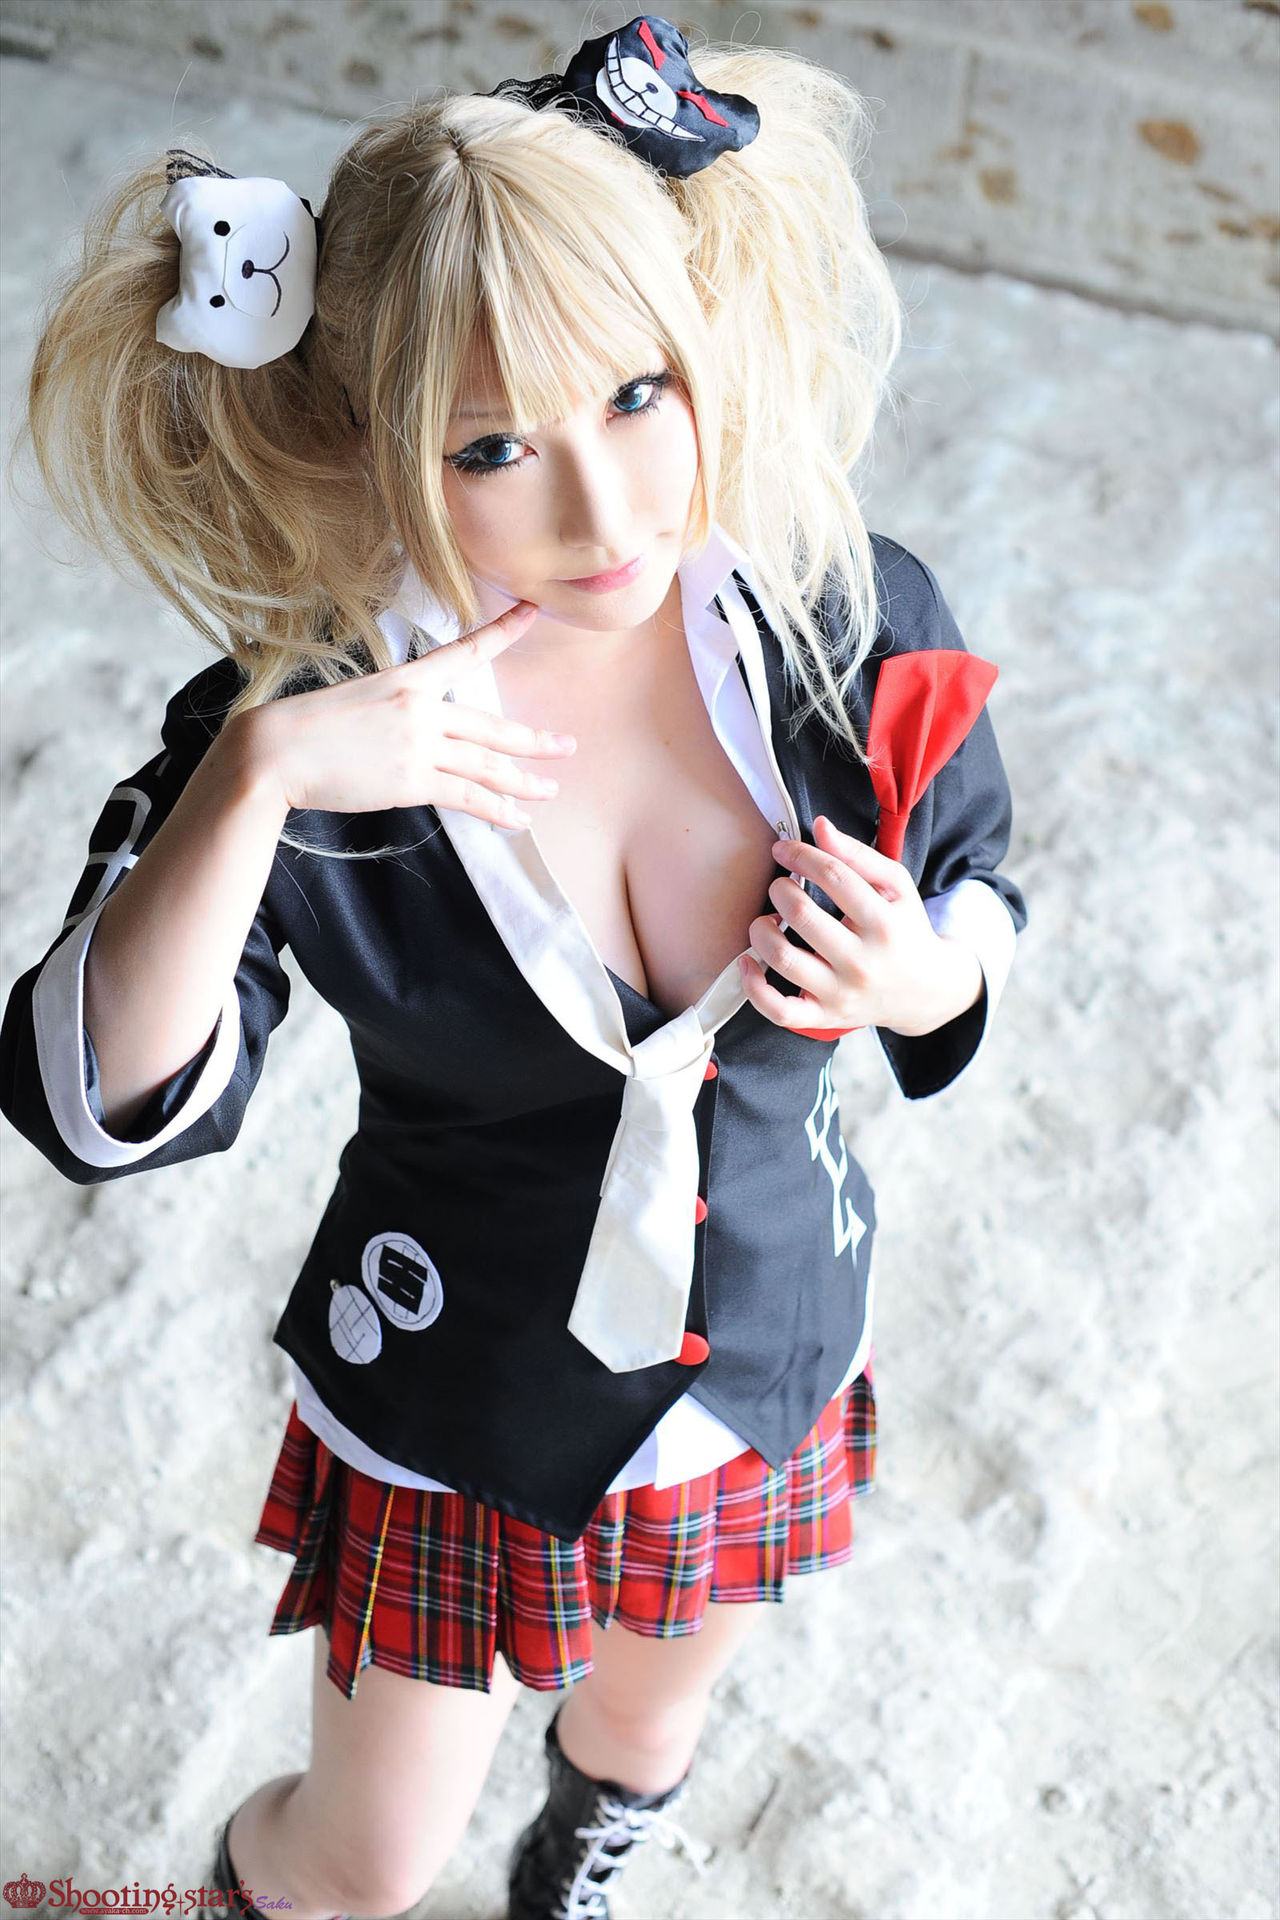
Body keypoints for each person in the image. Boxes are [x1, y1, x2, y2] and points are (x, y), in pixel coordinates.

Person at [0, 15, 1028, 1920]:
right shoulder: (310, 721)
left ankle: (588, 1845)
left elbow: (977, 883)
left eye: (638, 393)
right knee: (363, 1861)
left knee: (650, 1716)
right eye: (491, 447)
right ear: (369, 441)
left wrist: (923, 980)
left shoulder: (840, 612)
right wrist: (255, 782)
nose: (607, 511)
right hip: (455, 1389)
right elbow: (94, 1099)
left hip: (770, 1328)